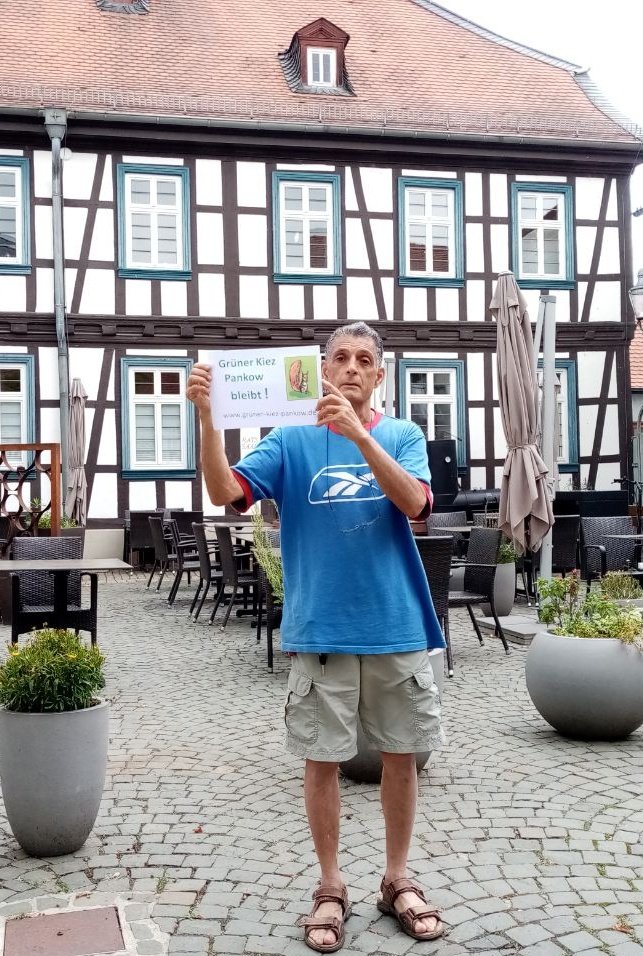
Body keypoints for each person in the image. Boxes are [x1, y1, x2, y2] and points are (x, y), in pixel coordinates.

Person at [187, 321, 446, 952]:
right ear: (321, 369)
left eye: (364, 360)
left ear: (379, 375)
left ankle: (396, 878)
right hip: (320, 628)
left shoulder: (403, 434)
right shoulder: (291, 440)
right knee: (321, 760)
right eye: (340, 359)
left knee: (401, 756)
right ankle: (330, 887)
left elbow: (415, 503)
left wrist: (359, 436)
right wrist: (207, 419)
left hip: (394, 624)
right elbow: (226, 491)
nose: (352, 368)